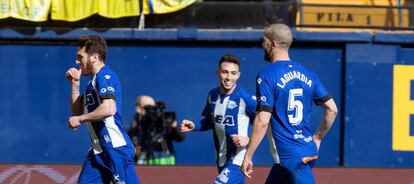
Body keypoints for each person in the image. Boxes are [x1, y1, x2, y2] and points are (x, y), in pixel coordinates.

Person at [241, 23, 338, 184]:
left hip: (291, 160)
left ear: (273, 44)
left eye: (264, 41)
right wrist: (318, 137)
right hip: (300, 153)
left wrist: (248, 156)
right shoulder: (309, 74)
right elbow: (332, 109)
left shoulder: (266, 76)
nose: (262, 45)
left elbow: (263, 120)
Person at [181, 54, 270, 184]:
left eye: (233, 73)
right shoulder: (212, 95)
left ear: (238, 75)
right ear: (218, 72)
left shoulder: (245, 98)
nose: (229, 77)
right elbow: (210, 121)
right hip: (221, 157)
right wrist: (195, 126)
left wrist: (248, 139)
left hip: (239, 157)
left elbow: (264, 122)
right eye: (225, 72)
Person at [65, 35, 140, 184]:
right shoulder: (90, 84)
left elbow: (109, 108)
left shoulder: (105, 75)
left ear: (94, 57)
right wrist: (75, 84)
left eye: (80, 57)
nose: (77, 62)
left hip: (115, 148)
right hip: (98, 151)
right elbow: (77, 112)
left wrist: (80, 119)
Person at [127, 95, 185, 165]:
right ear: (138, 108)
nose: (152, 111)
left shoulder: (161, 123)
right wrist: (135, 151)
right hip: (143, 170)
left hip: (167, 168)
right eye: (149, 108)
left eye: (154, 108)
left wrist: (174, 127)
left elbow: (180, 137)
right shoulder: (132, 129)